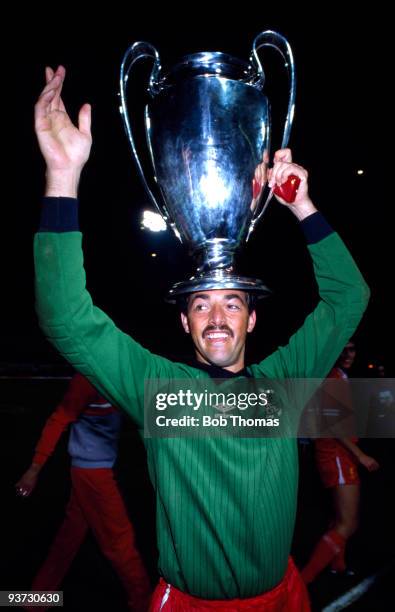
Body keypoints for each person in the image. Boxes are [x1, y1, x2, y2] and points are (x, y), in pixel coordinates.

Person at [33, 64, 370, 611]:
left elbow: (350, 298)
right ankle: (33, 595)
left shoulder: (283, 385)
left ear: (252, 320)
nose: (217, 315)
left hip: (283, 598)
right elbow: (65, 318)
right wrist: (62, 176)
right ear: (183, 321)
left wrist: (302, 207)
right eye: (201, 304)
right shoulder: (159, 391)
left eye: (233, 302)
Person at [16, 372, 151, 611]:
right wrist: (34, 469)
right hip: (93, 476)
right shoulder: (87, 381)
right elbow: (58, 419)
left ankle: (36, 600)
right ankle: (146, 605)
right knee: (121, 543)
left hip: (93, 471)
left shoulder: (120, 375)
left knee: (67, 541)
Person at [301, 341, 379, 584]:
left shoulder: (340, 377)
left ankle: (338, 565)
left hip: (335, 452)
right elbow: (333, 426)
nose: (347, 354)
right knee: (349, 522)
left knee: (338, 517)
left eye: (352, 349)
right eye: (342, 349)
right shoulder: (334, 378)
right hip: (336, 453)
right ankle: (303, 582)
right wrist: (359, 455)